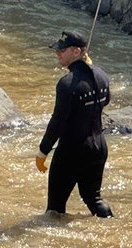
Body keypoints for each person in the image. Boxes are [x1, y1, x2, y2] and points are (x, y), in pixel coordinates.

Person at [35, 31, 113, 218]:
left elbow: (58, 122)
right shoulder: (102, 75)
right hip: (98, 147)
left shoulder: (67, 84)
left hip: (71, 151)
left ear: (77, 51)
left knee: (55, 208)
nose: (58, 53)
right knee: (94, 198)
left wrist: (43, 151)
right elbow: (106, 100)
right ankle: (111, 226)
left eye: (62, 50)